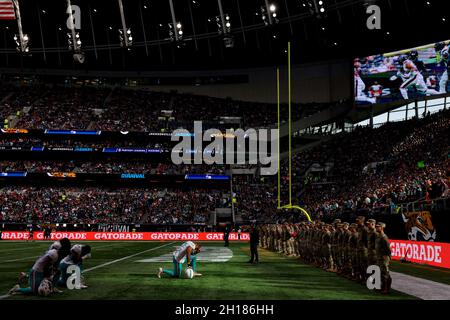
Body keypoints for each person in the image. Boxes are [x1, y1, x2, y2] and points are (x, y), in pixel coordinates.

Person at [375, 222, 392, 294]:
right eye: (376, 226)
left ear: (382, 228)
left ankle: (387, 288)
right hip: (379, 257)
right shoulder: (379, 236)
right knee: (381, 273)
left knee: (385, 273)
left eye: (378, 227)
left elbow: (388, 249)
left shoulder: (384, 237)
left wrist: (387, 258)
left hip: (384, 258)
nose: (376, 228)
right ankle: (383, 287)